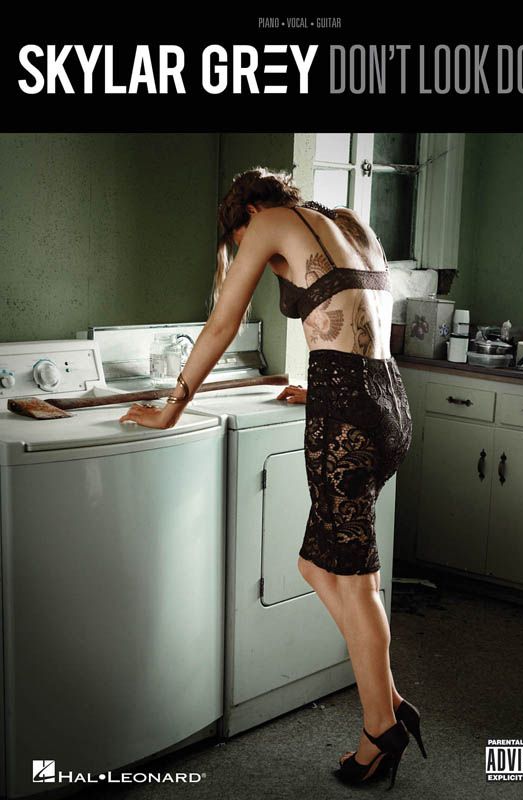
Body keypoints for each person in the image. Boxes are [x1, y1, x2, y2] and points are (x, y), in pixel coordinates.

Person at [118, 167, 424, 789]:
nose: (255, 256)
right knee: (319, 566)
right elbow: (363, 318)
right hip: (388, 405)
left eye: (241, 240)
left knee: (355, 582)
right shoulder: (349, 224)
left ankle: (379, 729)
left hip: (346, 417)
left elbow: (222, 323)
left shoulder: (267, 224)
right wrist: (323, 386)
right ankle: (390, 703)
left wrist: (171, 407)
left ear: (248, 214)